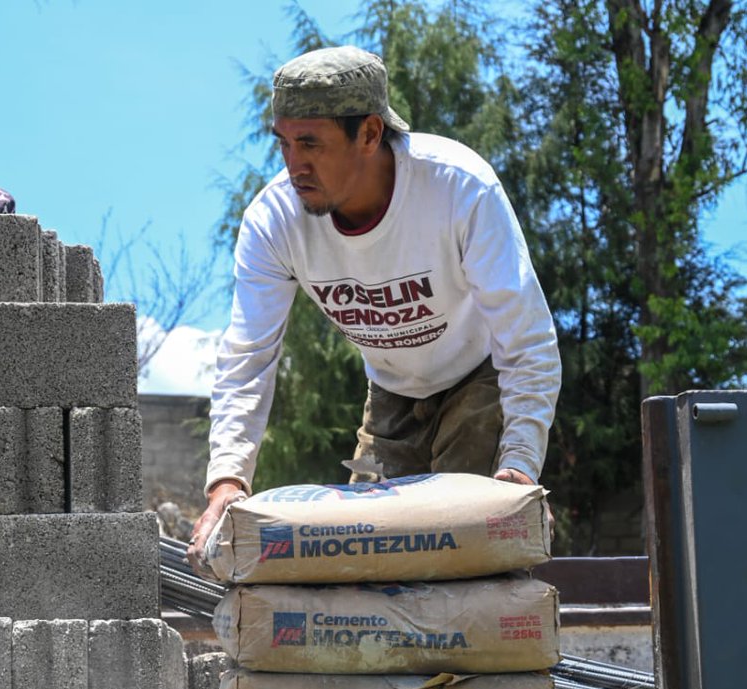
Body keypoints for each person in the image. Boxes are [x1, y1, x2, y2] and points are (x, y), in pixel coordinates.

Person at [187, 45, 561, 574]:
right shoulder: (274, 223)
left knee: (463, 549)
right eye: (285, 144)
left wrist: (520, 466)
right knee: (365, 556)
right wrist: (227, 479)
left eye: (311, 143)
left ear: (368, 133)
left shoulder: (459, 188)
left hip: (481, 381)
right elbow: (248, 357)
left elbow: (527, 341)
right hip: (389, 397)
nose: (295, 165)